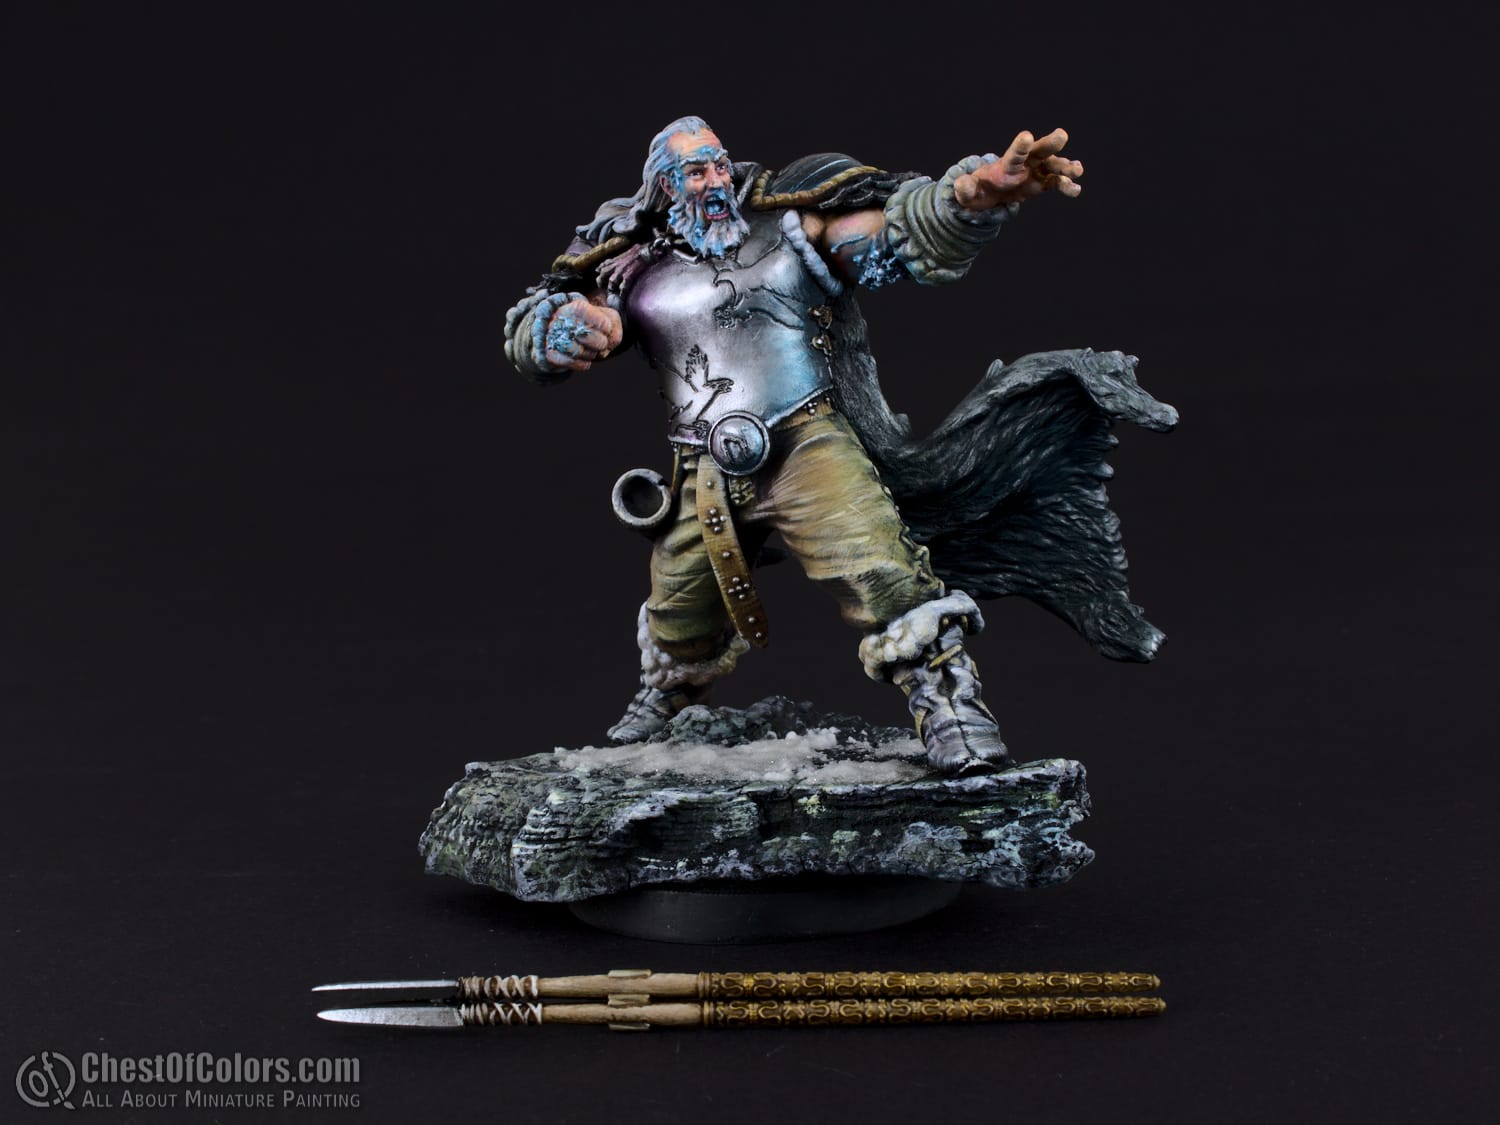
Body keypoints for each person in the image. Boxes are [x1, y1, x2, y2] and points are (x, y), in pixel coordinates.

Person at [504, 116, 1174, 774]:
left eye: (719, 164)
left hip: (805, 443)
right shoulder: (634, 269)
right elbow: (570, 317)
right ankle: (669, 694)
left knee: (877, 564)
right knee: (680, 606)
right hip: (702, 464)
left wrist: (965, 198)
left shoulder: (789, 231)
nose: (714, 181)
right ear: (663, 188)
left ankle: (948, 700)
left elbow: (885, 239)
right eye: (694, 171)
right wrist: (563, 329)